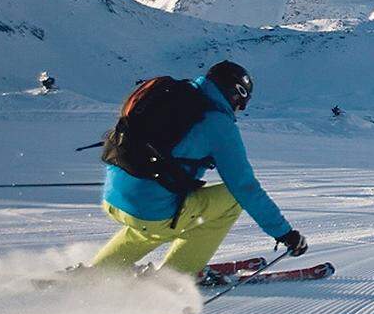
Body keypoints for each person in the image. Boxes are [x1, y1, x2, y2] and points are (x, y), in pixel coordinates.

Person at [90, 61, 307, 280]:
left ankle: (96, 273)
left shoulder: (171, 96)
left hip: (114, 198)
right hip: (152, 212)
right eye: (241, 103)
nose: (239, 110)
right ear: (235, 93)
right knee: (231, 199)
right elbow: (244, 187)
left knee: (150, 223)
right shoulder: (217, 123)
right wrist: (285, 234)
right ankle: (173, 279)